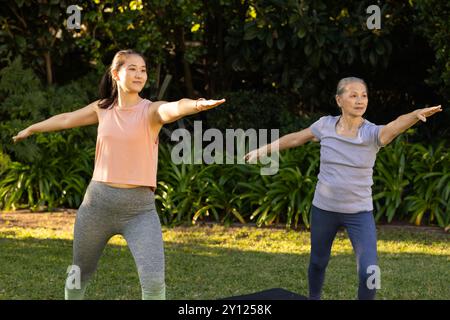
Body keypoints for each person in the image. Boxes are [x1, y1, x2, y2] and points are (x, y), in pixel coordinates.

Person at [12, 49, 226, 300]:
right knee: (79, 271)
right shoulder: (102, 109)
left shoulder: (151, 111)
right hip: (96, 206)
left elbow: (174, 108)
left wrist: (197, 105)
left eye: (143, 70)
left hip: (139, 211)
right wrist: (32, 128)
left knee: (154, 280)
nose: (139, 74)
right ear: (116, 73)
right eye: (132, 69)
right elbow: (67, 118)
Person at [244, 77, 442, 300]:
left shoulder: (371, 134)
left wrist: (414, 115)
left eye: (364, 95)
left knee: (370, 270)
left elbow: (394, 126)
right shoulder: (324, 126)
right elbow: (297, 138)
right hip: (324, 209)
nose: (360, 100)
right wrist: (264, 149)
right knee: (318, 262)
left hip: (359, 213)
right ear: (339, 100)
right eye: (353, 95)